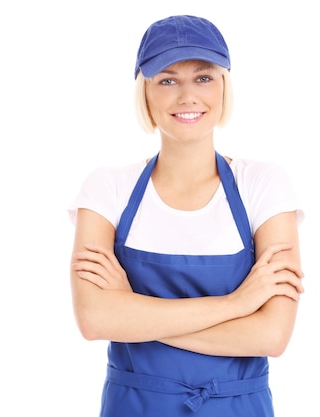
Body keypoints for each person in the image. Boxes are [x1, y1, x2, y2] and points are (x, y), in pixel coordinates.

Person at [68, 15, 305, 417]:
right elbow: (94, 319)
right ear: (145, 93)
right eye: (167, 79)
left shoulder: (263, 185)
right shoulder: (107, 189)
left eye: (203, 77)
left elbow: (271, 334)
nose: (187, 96)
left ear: (224, 87)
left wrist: (133, 310)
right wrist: (237, 304)